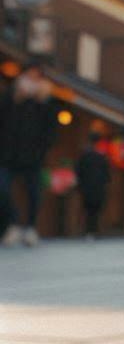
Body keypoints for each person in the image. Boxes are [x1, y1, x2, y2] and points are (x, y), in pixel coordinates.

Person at [0, 61, 58, 247]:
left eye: (37, 74)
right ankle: (14, 223)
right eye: (30, 73)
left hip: (33, 156)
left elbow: (51, 129)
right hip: (7, 154)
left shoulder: (46, 100)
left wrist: (43, 149)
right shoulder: (11, 95)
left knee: (33, 193)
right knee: (3, 189)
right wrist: (15, 98)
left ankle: (31, 227)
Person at [75, 132, 111, 240]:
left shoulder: (84, 156)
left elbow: (78, 172)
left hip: (86, 187)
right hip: (99, 187)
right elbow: (107, 175)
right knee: (96, 211)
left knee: (87, 210)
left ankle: (87, 231)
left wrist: (79, 185)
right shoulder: (102, 157)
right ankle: (94, 231)